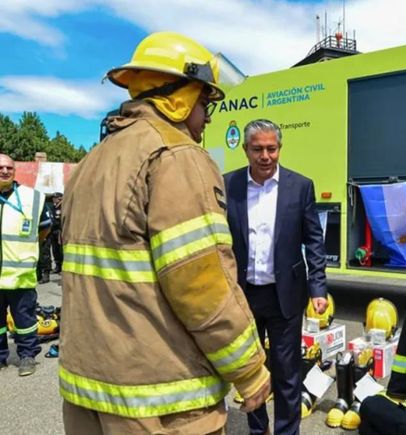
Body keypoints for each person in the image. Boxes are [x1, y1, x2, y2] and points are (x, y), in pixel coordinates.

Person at [59, 31, 270, 434]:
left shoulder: (91, 162)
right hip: (161, 403)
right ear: (179, 99)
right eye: (205, 102)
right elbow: (202, 285)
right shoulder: (176, 156)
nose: (208, 117)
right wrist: (250, 369)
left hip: (87, 396)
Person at [224, 119, 328, 435]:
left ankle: (286, 431)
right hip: (244, 295)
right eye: (258, 149)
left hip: (285, 294)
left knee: (286, 373)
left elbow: (313, 240)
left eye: (271, 148)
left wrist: (318, 287)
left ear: (280, 148)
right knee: (252, 369)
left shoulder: (300, 186)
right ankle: (259, 429)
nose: (265, 156)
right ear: (246, 151)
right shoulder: (229, 185)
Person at [0, 154, 51, 377]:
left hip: (20, 273)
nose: (4, 171)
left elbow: (44, 228)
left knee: (25, 319)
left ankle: (27, 355)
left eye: (8, 167)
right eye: (0, 167)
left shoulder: (31, 198)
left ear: (14, 171)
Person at [49, 192, 63, 274]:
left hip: (59, 230)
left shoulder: (62, 206)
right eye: (53, 197)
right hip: (53, 230)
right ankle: (58, 266)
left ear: (60, 198)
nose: (54, 199)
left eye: (56, 197)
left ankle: (62, 266)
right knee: (55, 250)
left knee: (60, 250)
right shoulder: (54, 207)